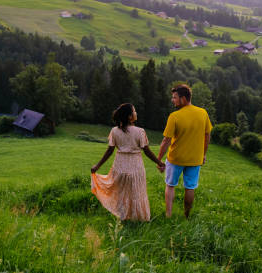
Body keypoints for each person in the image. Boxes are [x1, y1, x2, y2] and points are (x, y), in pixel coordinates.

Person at [91, 103, 165, 221]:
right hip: (136, 167)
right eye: (134, 111)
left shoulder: (114, 131)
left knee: (121, 194)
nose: (136, 113)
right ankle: (138, 218)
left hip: (120, 166)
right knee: (137, 193)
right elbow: (147, 151)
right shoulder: (140, 131)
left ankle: (123, 217)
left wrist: (97, 165)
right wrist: (159, 162)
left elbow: (109, 151)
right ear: (130, 116)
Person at [157, 84, 212, 218]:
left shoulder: (174, 116)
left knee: (170, 185)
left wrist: (158, 160)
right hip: (195, 159)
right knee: (190, 188)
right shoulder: (203, 113)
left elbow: (166, 141)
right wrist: (203, 155)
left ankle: (168, 215)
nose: (173, 100)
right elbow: (207, 136)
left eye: (175, 97)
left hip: (176, 158)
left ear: (183, 98)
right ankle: (186, 216)